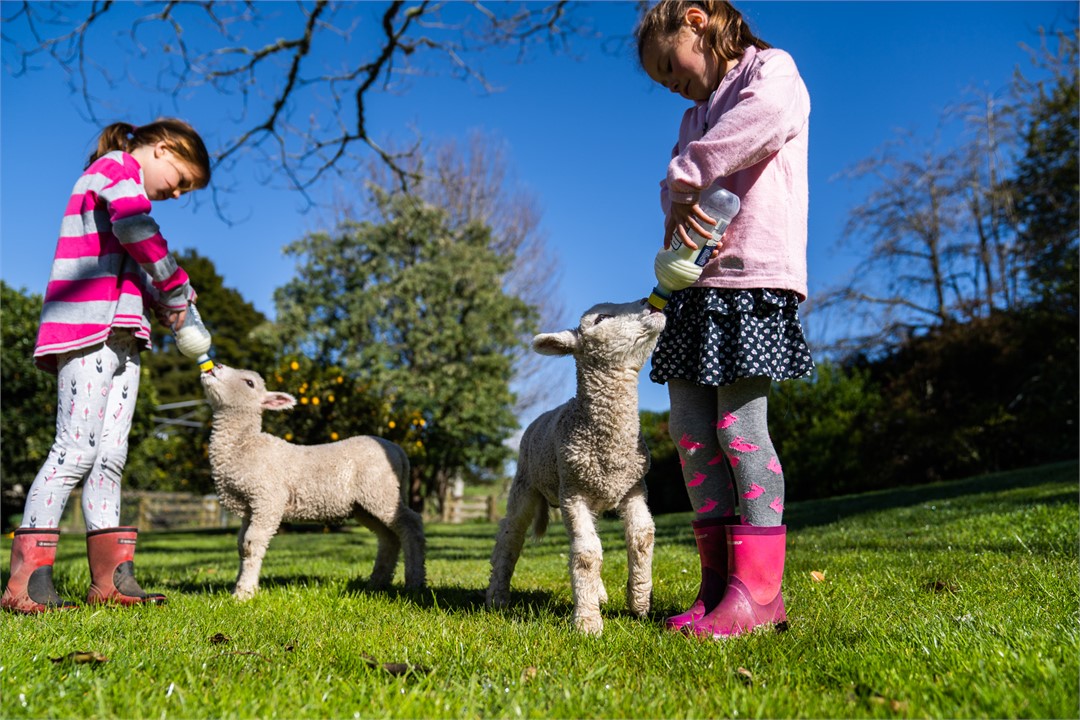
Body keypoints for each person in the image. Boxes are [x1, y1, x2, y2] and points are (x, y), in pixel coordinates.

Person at [635, 0, 813, 638]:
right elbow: (676, 189)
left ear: (697, 21)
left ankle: (758, 595)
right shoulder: (692, 118)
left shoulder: (772, 72)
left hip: (751, 281)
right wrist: (674, 213)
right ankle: (717, 587)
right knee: (689, 432)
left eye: (669, 66)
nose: (670, 84)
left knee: (739, 428)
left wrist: (687, 172)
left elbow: (760, 123)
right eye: (660, 80)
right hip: (696, 288)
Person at [2, 118, 211, 613]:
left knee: (110, 455)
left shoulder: (128, 189)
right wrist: (174, 282)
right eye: (180, 181)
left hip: (122, 337)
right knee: (75, 449)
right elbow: (135, 229)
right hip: (86, 329)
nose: (176, 194)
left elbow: (131, 261)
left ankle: (111, 580)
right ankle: (25, 584)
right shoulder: (115, 169)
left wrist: (165, 301)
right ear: (163, 149)